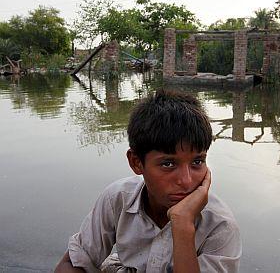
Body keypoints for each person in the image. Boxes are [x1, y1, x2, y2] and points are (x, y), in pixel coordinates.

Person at [55, 89, 241, 273]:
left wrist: (183, 224)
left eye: (197, 162)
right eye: (168, 164)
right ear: (136, 163)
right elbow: (72, 264)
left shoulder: (219, 225)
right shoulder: (118, 198)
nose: (186, 181)